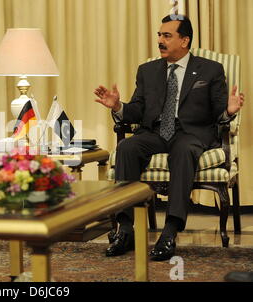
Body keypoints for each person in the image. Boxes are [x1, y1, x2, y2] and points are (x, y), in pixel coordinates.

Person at [94, 15, 244, 261]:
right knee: (127, 148)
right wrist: (118, 105)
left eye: (167, 36)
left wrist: (229, 110)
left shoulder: (210, 69)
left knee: (183, 151)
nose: (160, 41)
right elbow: (137, 110)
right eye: (159, 35)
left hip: (192, 133)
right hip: (154, 132)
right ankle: (126, 229)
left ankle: (170, 230)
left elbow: (219, 112)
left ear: (184, 40)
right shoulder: (148, 70)